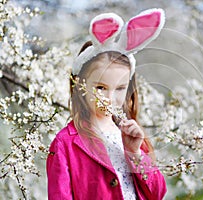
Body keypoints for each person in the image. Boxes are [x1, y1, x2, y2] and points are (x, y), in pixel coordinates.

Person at [46, 8, 167, 200]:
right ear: (80, 87)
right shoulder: (65, 144)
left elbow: (157, 193)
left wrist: (134, 152)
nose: (110, 98)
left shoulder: (129, 135)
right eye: (101, 87)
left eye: (120, 88)